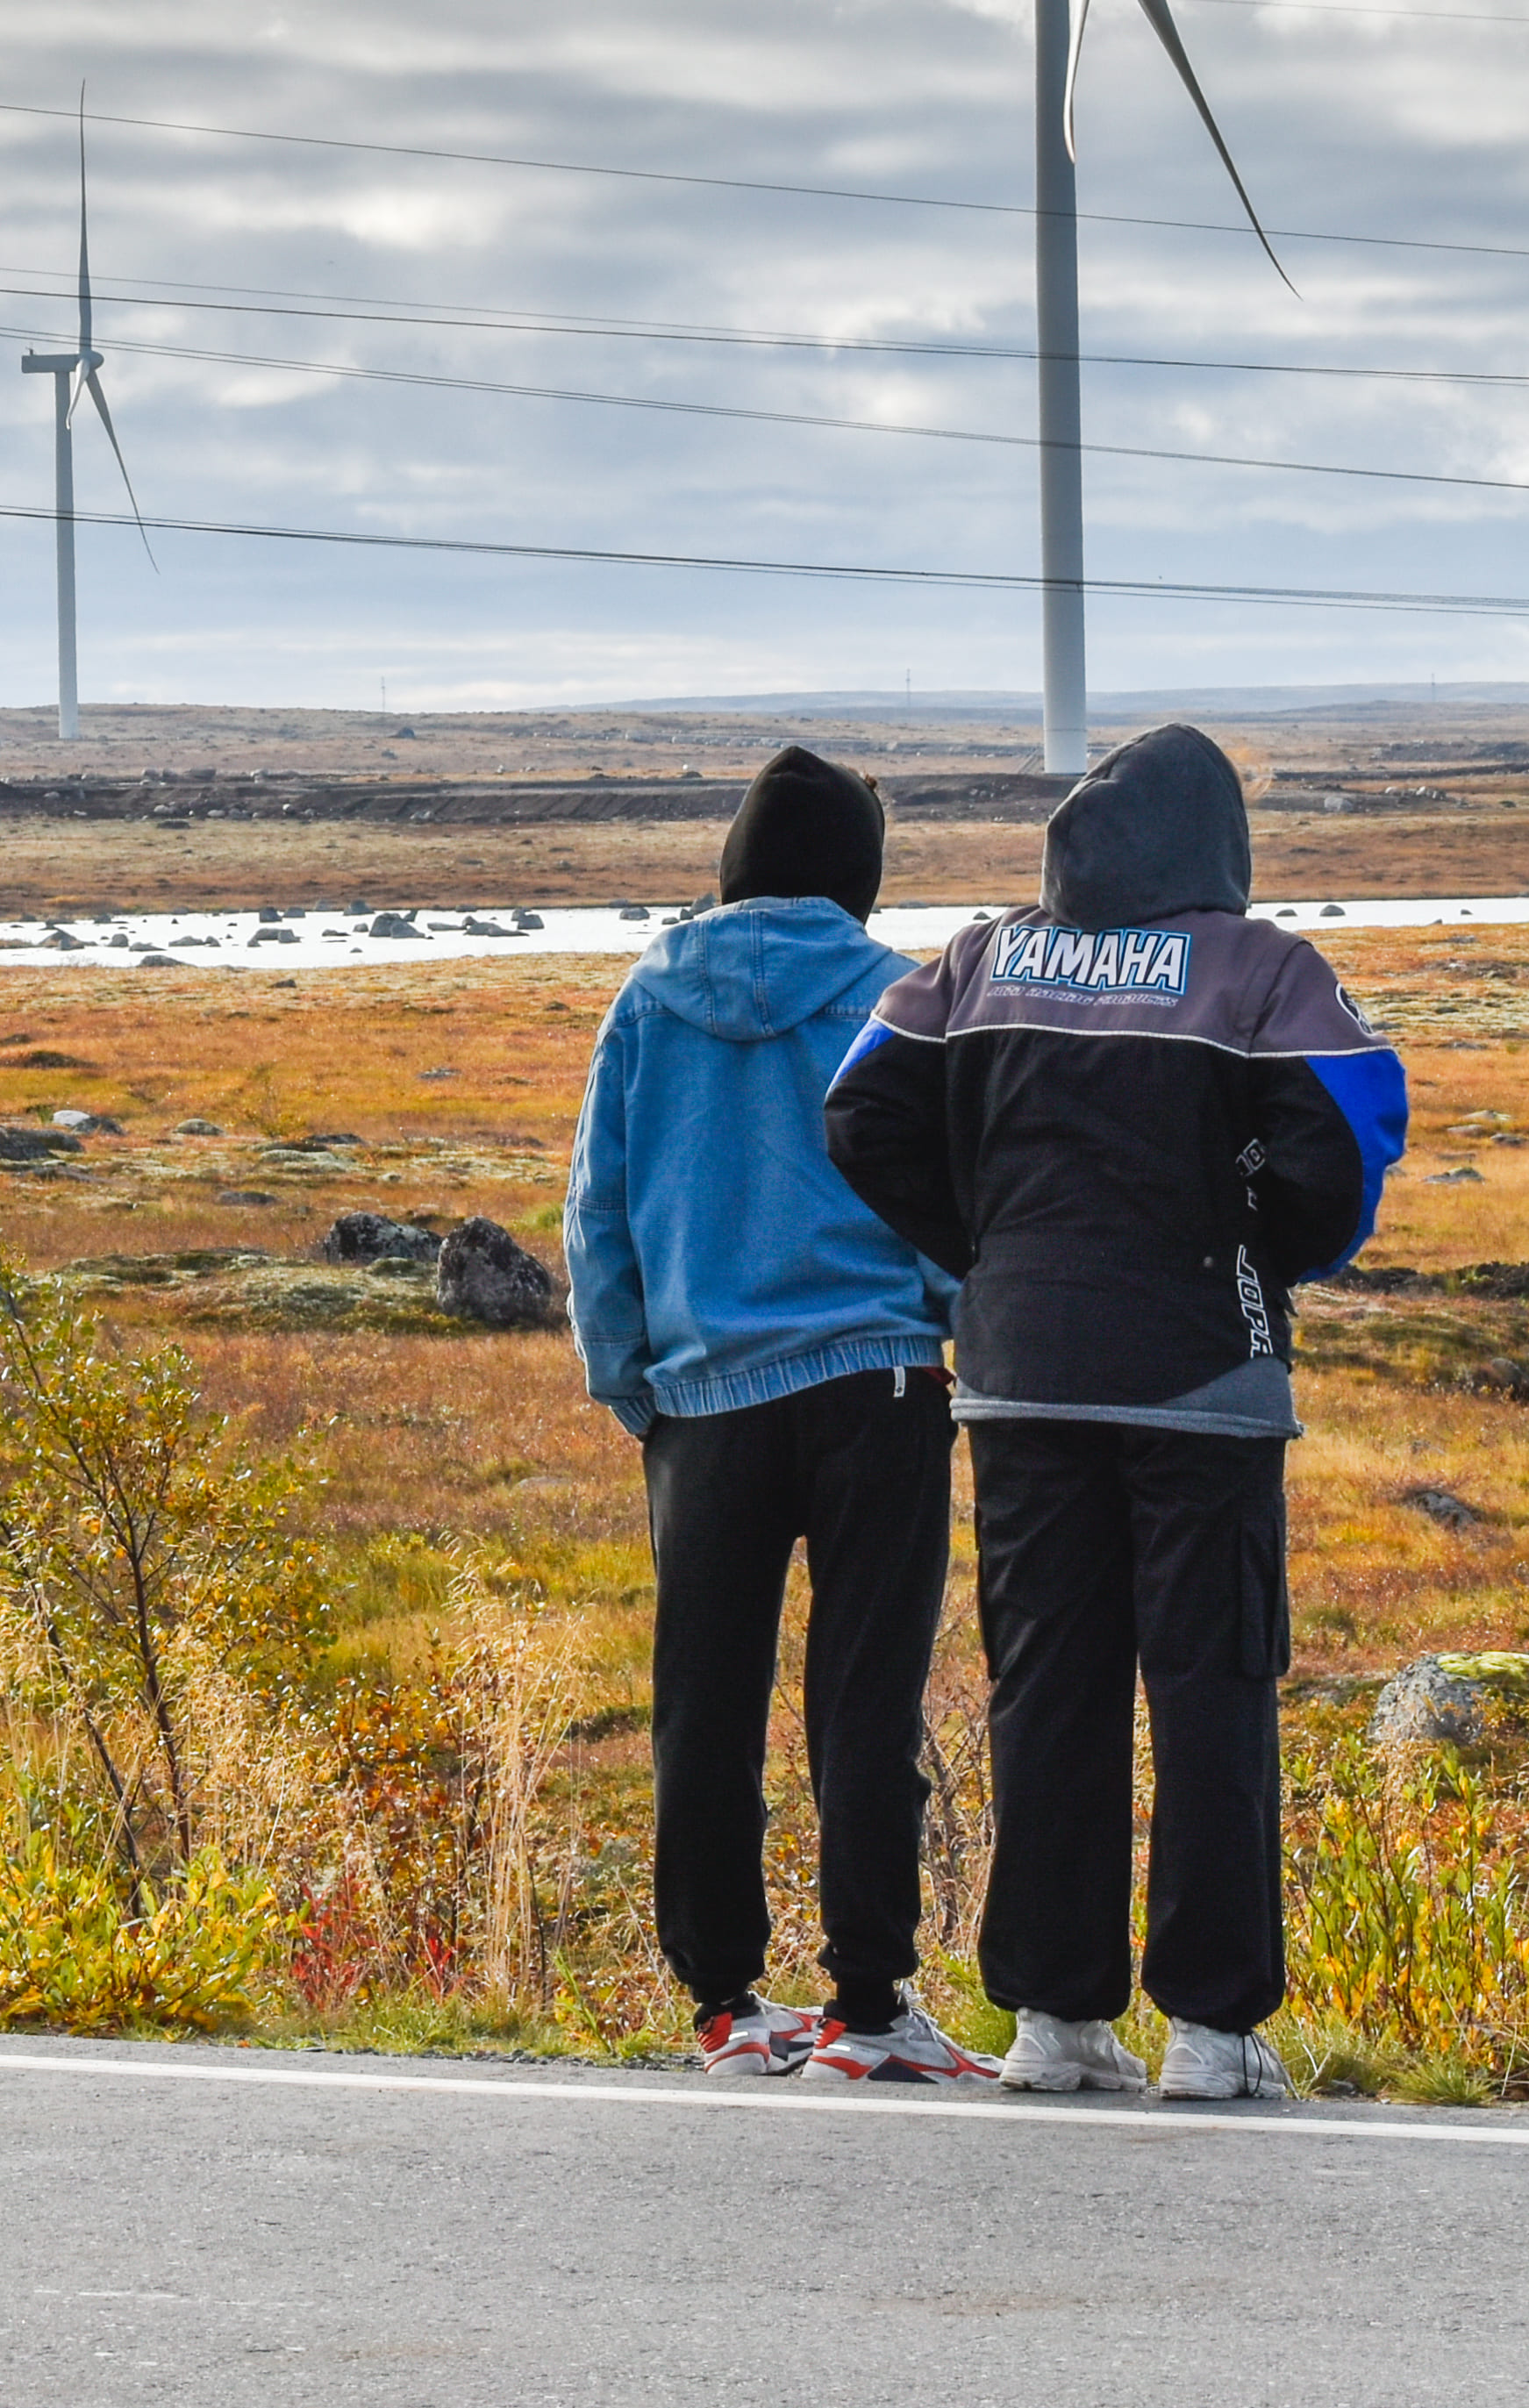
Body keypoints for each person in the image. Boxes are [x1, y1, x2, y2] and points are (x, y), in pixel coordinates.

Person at [823, 722, 1406, 2101]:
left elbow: (858, 1111)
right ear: (1217, 844)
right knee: (1211, 1685)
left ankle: (1052, 2019)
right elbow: (1348, 1133)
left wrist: (985, 1243)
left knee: (1048, 1685)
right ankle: (1210, 2031)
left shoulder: (972, 959)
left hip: (1018, 1364)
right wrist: (1260, 1239)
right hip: (1202, 1370)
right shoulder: (1262, 969)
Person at [562, 746, 987, 2083]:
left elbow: (599, 1204)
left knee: (705, 1700)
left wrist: (630, 1376)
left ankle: (724, 2003)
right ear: (856, 870)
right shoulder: (894, 994)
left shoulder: (646, 994)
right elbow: (945, 1189)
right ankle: (868, 2005)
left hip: (701, 1403)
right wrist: (936, 1315)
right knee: (863, 1701)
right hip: (874, 1381)